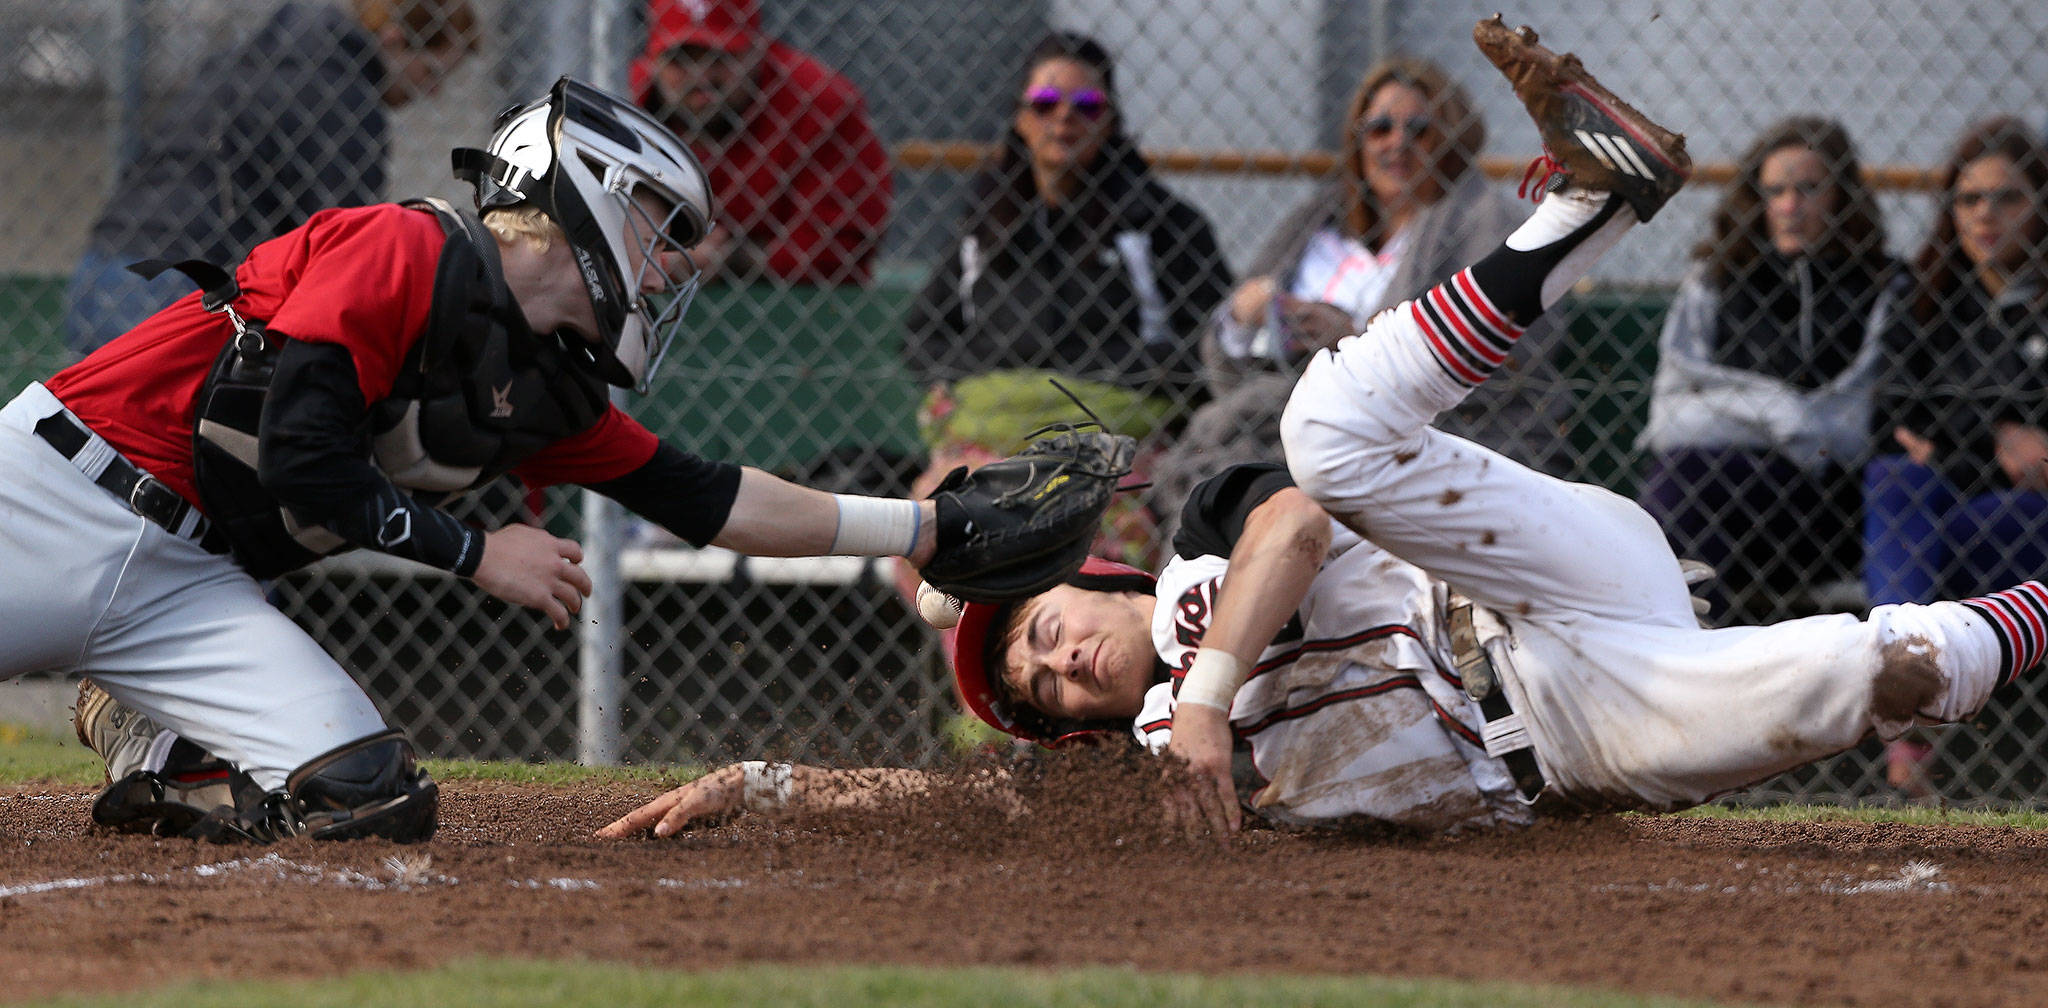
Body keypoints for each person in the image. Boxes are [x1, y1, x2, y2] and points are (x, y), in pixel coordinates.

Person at [603, 21, 2048, 841]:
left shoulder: (1185, 606)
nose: (1051, 656)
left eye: (1038, 626)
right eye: (1041, 683)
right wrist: (754, 781)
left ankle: (1588, 203)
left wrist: (1216, 694)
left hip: (1531, 578)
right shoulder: (1139, 777)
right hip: (1572, 726)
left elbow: (1294, 528)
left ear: (1090, 583)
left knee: (1327, 434)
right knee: (1881, 669)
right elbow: (939, 800)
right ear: (1074, 732)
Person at [23, 79, 1003, 846]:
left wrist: (929, 527)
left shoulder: (537, 380)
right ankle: (166, 731)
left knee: (369, 802)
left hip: (189, 588)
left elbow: (706, 498)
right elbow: (301, 457)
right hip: (61, 499)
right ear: (583, 196)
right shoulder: (404, 248)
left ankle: (157, 738)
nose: (672, 266)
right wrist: (479, 554)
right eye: (659, 229)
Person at [1152, 54, 1559, 544]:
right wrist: (1245, 318)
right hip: (1276, 419)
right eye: (1380, 127)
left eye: (1420, 129)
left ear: (1451, 138)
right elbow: (1223, 360)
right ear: (1358, 138)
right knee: (1224, 473)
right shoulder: (1318, 219)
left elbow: (1508, 347)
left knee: (1238, 487)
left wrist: (1354, 340)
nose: (1397, 144)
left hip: (1401, 438)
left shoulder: (1482, 222)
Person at [900, 30, 1233, 572]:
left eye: (1086, 105)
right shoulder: (986, 222)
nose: (1064, 120)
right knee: (926, 532)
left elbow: (1210, 345)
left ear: (1110, 119)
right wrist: (1003, 389)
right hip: (991, 442)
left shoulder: (1160, 223)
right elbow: (923, 334)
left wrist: (1079, 384)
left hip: (1114, 443)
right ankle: (981, 657)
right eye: (1046, 104)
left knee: (1101, 539)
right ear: (1020, 118)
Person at [63, 0, 478, 357]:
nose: (432, 93)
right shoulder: (342, 95)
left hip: (106, 266)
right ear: (392, 40)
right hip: (185, 284)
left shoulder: (263, 54)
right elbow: (349, 243)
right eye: (430, 73)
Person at [1638, 116, 1902, 625]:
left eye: (1808, 189)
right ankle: (1696, 634)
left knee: (1685, 479)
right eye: (1775, 191)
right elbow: (1670, 415)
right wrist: (1783, 414)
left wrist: (1728, 409)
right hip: (1721, 504)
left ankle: (1685, 643)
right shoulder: (1717, 279)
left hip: (1823, 511)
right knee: (1685, 474)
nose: (1789, 207)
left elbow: (1845, 434)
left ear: (1842, 196)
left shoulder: (1880, 285)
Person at [1863, 117, 2048, 608]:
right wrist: (1999, 433)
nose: (1986, 214)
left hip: (2018, 514)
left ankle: (1902, 638)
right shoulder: (1923, 299)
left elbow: (2036, 468)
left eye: (2008, 198)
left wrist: (1946, 442)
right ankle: (1909, 636)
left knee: (2004, 517)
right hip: (1931, 501)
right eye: (1970, 199)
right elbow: (1891, 421)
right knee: (1894, 477)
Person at [628, 0, 891, 287]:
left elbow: (841, 249)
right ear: (653, 58)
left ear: (757, 49)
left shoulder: (819, 104)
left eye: (720, 57)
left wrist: (729, 258)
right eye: (681, 58)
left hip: (796, 308)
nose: (701, 77)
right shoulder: (624, 101)